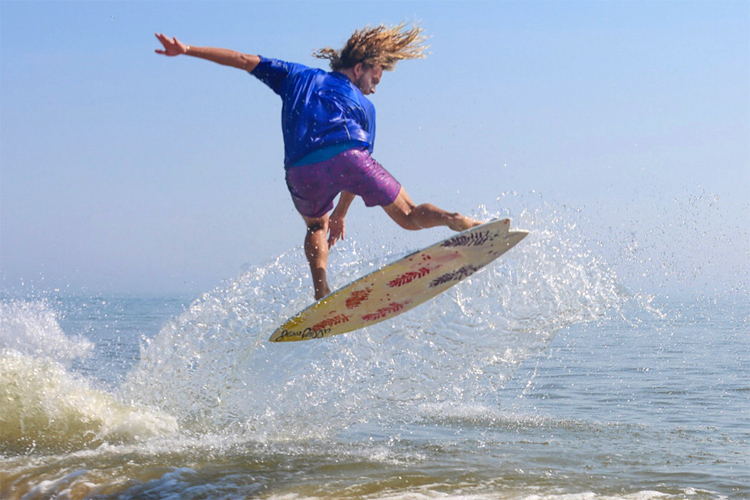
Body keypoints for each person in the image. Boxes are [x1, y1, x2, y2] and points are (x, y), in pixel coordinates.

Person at [155, 23, 480, 300]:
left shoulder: (295, 75)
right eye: (374, 81)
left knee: (315, 226)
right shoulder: (366, 109)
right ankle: (458, 221)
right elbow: (358, 164)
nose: (374, 90)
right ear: (358, 69)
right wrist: (342, 212)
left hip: (301, 170)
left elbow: (242, 60)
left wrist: (185, 49)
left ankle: (321, 290)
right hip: (348, 156)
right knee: (408, 215)